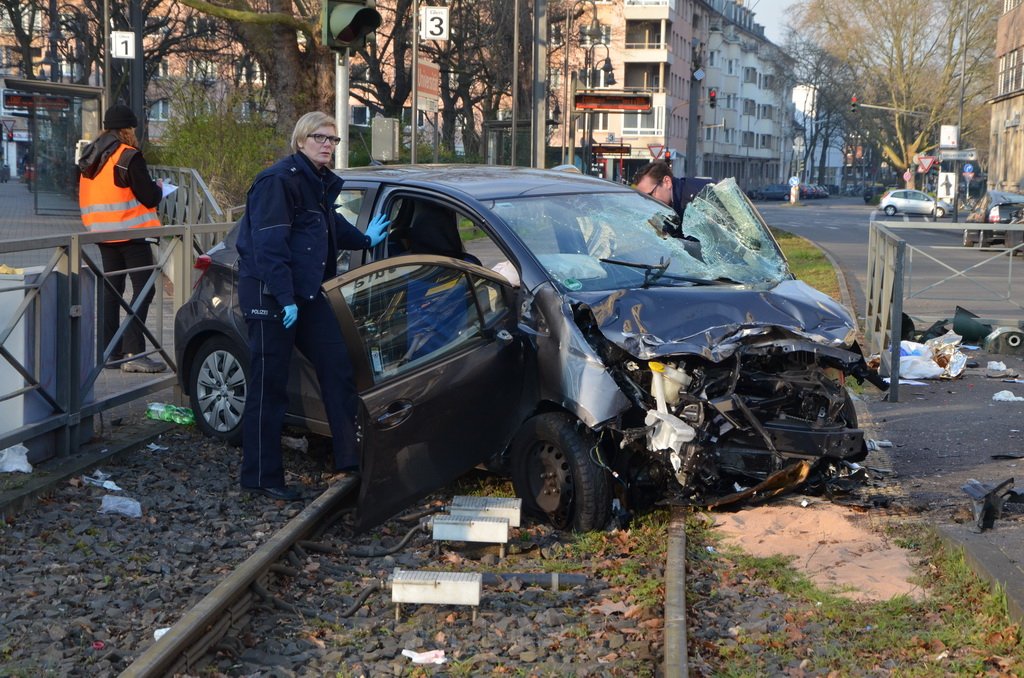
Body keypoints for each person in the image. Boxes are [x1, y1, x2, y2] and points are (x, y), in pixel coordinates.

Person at [235, 111, 390, 501]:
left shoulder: (317, 183)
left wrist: (365, 240)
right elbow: (270, 247)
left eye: (334, 140)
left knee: (338, 365)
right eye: (320, 138)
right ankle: (260, 476)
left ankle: (348, 460)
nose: (327, 145)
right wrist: (284, 299)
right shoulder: (278, 181)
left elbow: (329, 226)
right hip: (272, 294)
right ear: (301, 140)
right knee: (270, 385)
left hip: (305, 293)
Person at [78, 104, 166, 373]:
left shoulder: (90, 155)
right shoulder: (128, 156)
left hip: (103, 234)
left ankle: (110, 353)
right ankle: (135, 353)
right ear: (127, 129)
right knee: (144, 289)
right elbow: (149, 196)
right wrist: (160, 189)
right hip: (131, 233)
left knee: (112, 291)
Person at [631, 159, 713, 222]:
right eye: (643, 198)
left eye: (649, 195)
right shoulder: (671, 206)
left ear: (667, 182)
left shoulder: (700, 198)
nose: (647, 203)